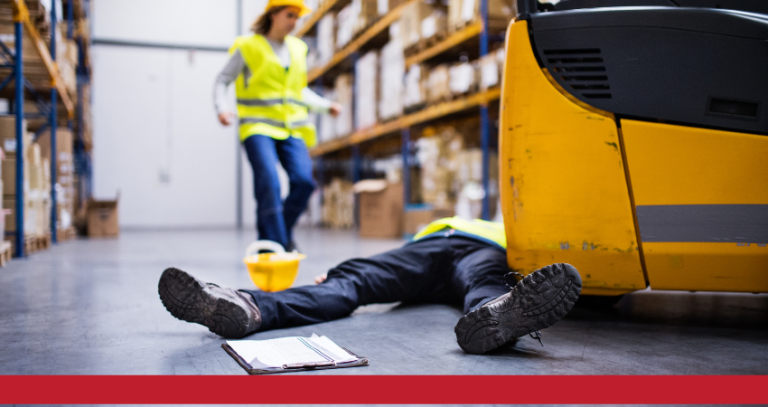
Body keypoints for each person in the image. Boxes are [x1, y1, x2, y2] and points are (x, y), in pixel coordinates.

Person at [159, 217, 583, 354]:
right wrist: (342, 270)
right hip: (437, 249)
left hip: (475, 251)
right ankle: (243, 307)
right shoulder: (454, 224)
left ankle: (501, 315)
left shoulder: (513, 219)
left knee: (358, 282)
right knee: (353, 279)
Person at [214, 0, 341, 251]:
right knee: (269, 182)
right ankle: (278, 244)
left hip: (292, 128)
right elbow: (222, 80)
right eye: (289, 15)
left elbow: (298, 90)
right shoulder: (248, 46)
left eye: (297, 17)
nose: (294, 22)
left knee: (305, 182)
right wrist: (222, 108)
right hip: (257, 127)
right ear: (273, 14)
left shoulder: (298, 49)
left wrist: (326, 105)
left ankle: (274, 237)